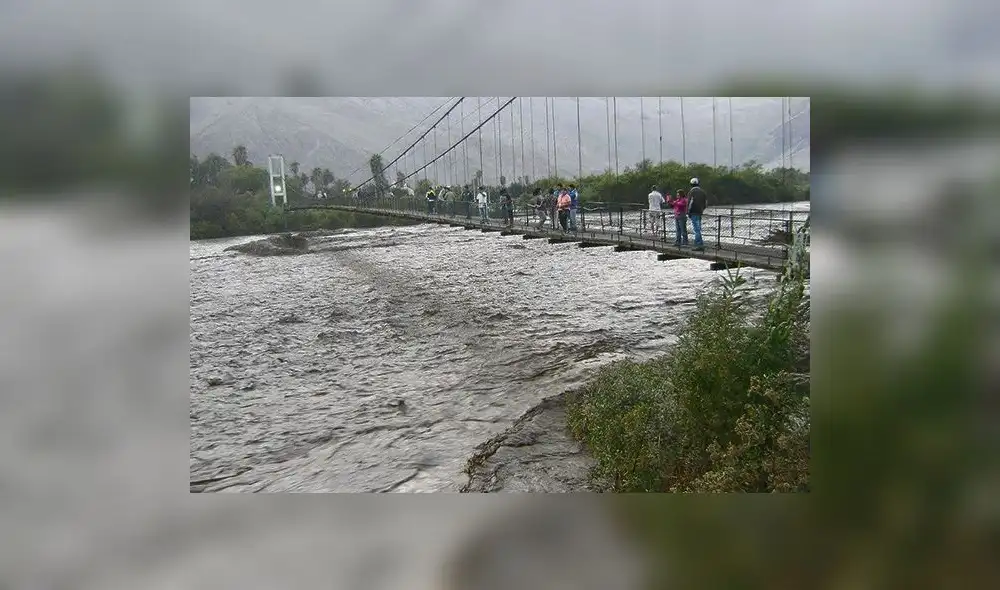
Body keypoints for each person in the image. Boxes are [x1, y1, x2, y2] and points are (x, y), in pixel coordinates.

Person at [686, 177, 708, 250]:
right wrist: (702, 209)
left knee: (696, 229)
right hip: (700, 212)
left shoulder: (691, 192)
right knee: (698, 228)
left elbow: (690, 203)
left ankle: (698, 245)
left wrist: (688, 212)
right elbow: (706, 203)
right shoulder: (703, 192)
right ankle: (700, 243)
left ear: (691, 184)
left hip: (693, 212)